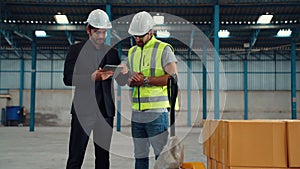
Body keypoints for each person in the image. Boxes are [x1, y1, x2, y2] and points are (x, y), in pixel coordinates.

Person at [63, 9, 125, 169]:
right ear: (88, 30)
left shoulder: (111, 52)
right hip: (83, 111)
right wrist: (91, 78)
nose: (101, 37)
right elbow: (67, 78)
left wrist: (125, 71)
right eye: (97, 32)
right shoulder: (75, 51)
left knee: (103, 158)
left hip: (105, 112)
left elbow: (121, 80)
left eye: (104, 32)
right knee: (76, 156)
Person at [125, 11, 178, 169]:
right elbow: (130, 78)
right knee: (139, 156)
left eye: (140, 36)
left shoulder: (163, 49)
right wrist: (132, 81)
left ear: (151, 32)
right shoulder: (132, 51)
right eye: (134, 36)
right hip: (137, 113)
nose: (137, 39)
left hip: (156, 113)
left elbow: (173, 78)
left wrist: (145, 80)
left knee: (162, 157)